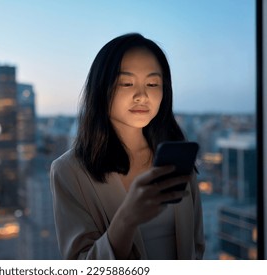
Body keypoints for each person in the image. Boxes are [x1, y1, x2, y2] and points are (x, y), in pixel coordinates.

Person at [49, 33, 204, 260]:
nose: (142, 95)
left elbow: (197, 246)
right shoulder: (68, 171)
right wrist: (128, 218)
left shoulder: (176, 158)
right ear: (102, 88)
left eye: (152, 84)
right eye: (127, 83)